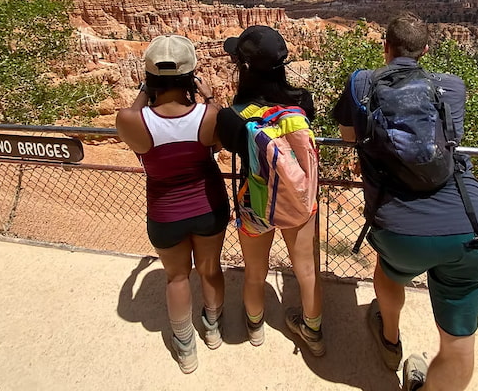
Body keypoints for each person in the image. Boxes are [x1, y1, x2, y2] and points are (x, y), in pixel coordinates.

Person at [331, 13, 478, 391]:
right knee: (458, 344)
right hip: (475, 229)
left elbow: (346, 135)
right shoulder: (453, 86)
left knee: (388, 273)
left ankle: (389, 340)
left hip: (401, 227)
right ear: (425, 50)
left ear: (385, 47)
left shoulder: (362, 82)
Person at [115, 34, 228, 374]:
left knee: (177, 278)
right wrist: (208, 95)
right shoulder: (209, 115)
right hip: (209, 207)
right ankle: (213, 330)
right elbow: (219, 140)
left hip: (165, 215)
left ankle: (186, 348)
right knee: (210, 269)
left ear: (149, 77)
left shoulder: (131, 120)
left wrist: (143, 90)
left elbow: (132, 112)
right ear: (191, 75)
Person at [216, 25, 325, 356]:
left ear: (244, 66)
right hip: (297, 199)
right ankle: (313, 333)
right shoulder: (302, 102)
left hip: (255, 202)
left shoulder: (231, 117)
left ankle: (255, 328)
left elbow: (228, 145)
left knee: (255, 272)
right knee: (307, 271)